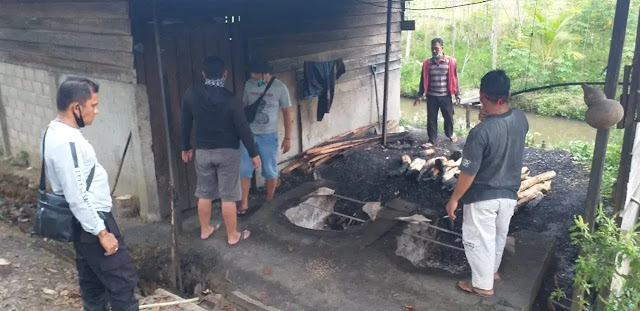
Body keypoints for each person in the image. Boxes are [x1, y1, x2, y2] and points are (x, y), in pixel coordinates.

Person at [43, 77, 139, 311]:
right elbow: (77, 194)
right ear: (76, 107)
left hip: (81, 223)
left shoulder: (53, 131)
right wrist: (102, 232)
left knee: (93, 285)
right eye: (93, 105)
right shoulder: (68, 142)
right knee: (122, 285)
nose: (96, 111)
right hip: (92, 222)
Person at [445, 70, 529, 297]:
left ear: (482, 97)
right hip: (510, 194)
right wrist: (491, 117)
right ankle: (490, 273)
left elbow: (468, 173)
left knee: (479, 240)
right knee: (498, 236)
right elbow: (505, 124)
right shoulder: (521, 118)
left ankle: (482, 286)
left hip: (483, 197)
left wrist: (454, 199)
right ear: (508, 94)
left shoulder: (479, 133)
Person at [181, 56, 260, 244]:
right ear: (225, 74)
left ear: (203, 74)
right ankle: (232, 235)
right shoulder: (232, 100)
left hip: (203, 152)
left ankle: (205, 229)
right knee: (228, 196)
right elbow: (243, 129)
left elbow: (185, 123)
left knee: (204, 193)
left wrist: (185, 147)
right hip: (228, 153)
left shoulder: (191, 94)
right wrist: (253, 153)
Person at [238, 57, 292, 215]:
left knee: (269, 170)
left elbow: (287, 112)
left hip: (269, 136)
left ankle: (269, 201)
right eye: (252, 72)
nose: (253, 75)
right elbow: (244, 106)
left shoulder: (280, 87)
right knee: (244, 170)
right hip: (249, 134)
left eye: (256, 73)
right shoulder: (249, 84)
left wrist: (287, 138)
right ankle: (244, 204)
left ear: (265, 73)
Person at [413, 38, 461, 146]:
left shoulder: (450, 62)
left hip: (445, 96)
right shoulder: (427, 63)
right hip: (432, 96)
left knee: (448, 116)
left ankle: (450, 134)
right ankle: (432, 140)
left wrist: (458, 93)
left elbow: (455, 78)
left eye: (436, 48)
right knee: (431, 119)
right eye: (432, 49)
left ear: (442, 48)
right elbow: (423, 79)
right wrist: (420, 95)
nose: (434, 51)